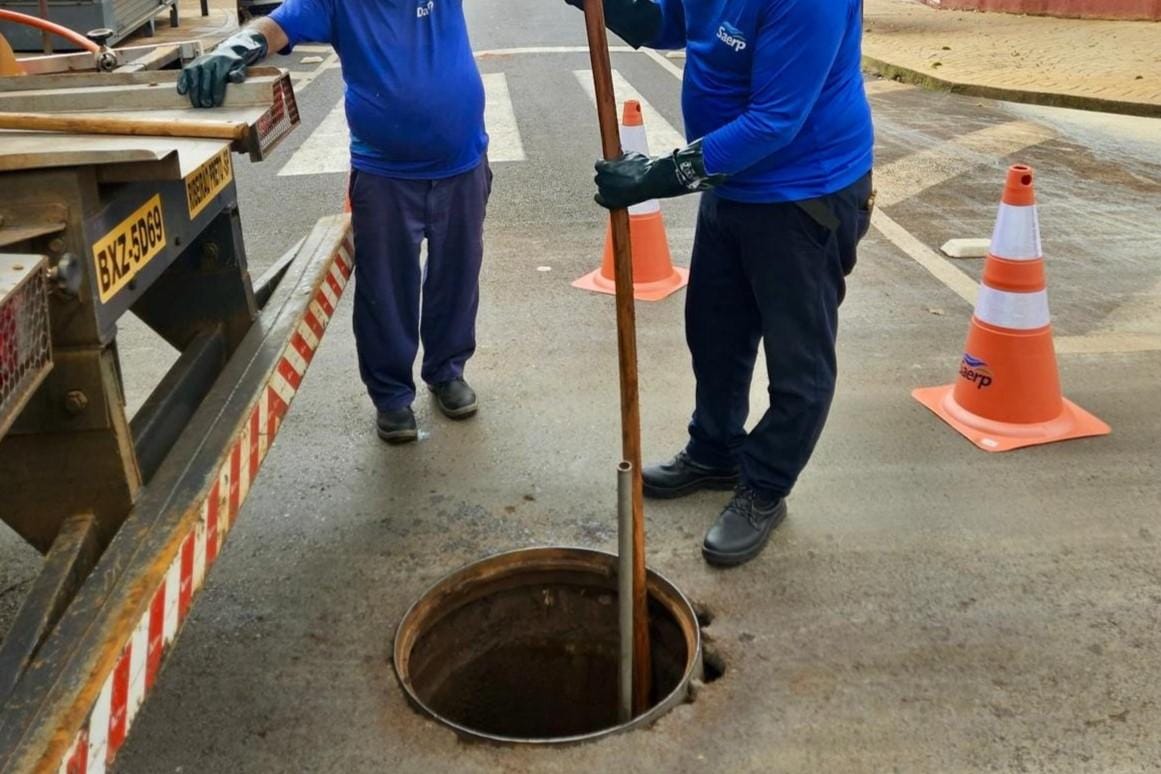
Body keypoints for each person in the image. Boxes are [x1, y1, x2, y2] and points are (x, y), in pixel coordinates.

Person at [571, 0, 875, 566]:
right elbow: (671, 21)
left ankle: (764, 486)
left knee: (798, 366)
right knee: (714, 335)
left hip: (803, 196)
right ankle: (715, 450)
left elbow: (774, 121)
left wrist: (658, 175)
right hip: (731, 188)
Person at [178, 0, 491, 444]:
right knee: (385, 287)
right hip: (386, 174)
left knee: (457, 276)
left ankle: (447, 371)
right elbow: (278, 26)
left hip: (462, 163)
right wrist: (237, 46)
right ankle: (392, 397)